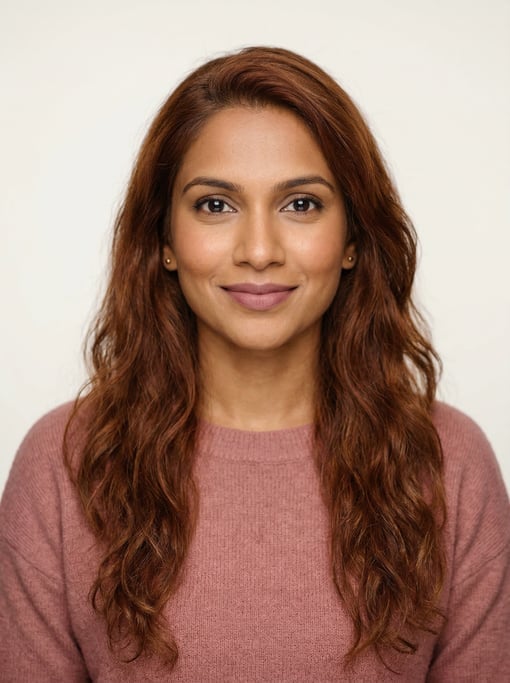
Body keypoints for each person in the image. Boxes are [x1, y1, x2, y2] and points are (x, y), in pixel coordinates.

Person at [0, 46, 509, 682]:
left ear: (352, 240)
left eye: (301, 204)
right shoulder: (64, 462)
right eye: (216, 205)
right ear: (163, 240)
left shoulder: (449, 460)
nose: (260, 251)